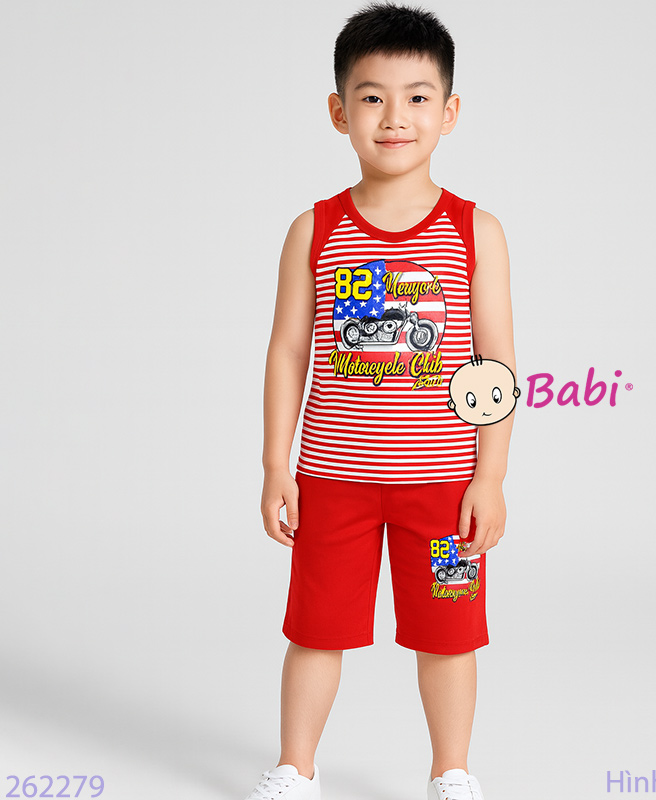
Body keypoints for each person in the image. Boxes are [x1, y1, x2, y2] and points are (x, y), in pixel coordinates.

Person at [249, 3, 515, 799]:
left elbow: (495, 364)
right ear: (339, 112)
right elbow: (288, 352)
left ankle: (452, 771)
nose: (394, 117)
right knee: (315, 629)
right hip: (332, 481)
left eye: (417, 97)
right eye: (371, 97)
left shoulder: (474, 231)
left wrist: (490, 476)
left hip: (442, 487)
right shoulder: (315, 229)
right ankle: (296, 767)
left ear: (450, 112)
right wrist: (275, 465)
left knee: (449, 634)